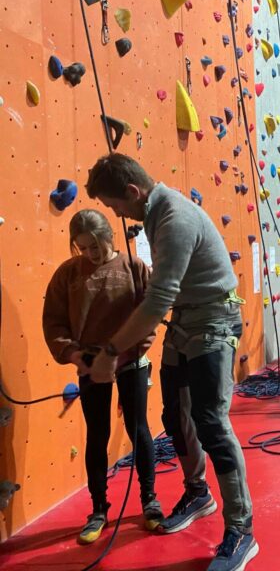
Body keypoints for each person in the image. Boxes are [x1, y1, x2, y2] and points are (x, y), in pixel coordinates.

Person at [84, 154, 257, 571]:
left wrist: (111, 353)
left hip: (214, 321)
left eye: (115, 205)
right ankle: (199, 493)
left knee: (211, 422)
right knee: (175, 416)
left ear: (132, 192)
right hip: (184, 323)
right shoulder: (157, 215)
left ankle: (242, 529)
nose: (118, 214)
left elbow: (159, 296)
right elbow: (162, 299)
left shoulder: (174, 217)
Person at [42, 209, 161, 544]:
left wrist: (130, 350)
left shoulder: (134, 268)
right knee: (97, 434)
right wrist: (74, 354)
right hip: (91, 362)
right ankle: (98, 509)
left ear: (110, 235)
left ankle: (150, 500)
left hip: (131, 359)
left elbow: (150, 312)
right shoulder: (68, 275)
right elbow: (53, 322)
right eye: (83, 249)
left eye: (96, 246)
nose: (91, 254)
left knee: (139, 428)